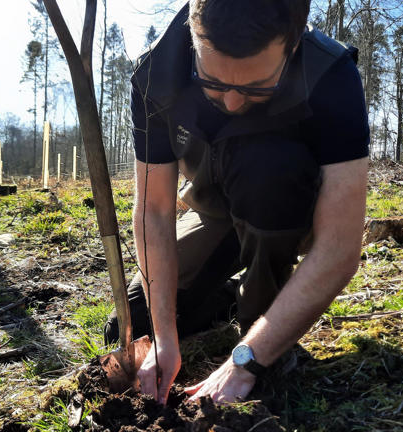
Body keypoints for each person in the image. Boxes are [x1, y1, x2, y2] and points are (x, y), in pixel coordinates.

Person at [104, 0, 369, 405]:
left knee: (267, 164)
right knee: (135, 320)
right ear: (193, 37)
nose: (230, 102)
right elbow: (155, 211)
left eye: (255, 87)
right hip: (213, 212)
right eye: (211, 81)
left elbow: (339, 247)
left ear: (293, 43)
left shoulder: (332, 74)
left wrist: (246, 360)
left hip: (282, 211)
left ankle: (262, 314)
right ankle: (234, 293)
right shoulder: (156, 75)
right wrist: (163, 338)